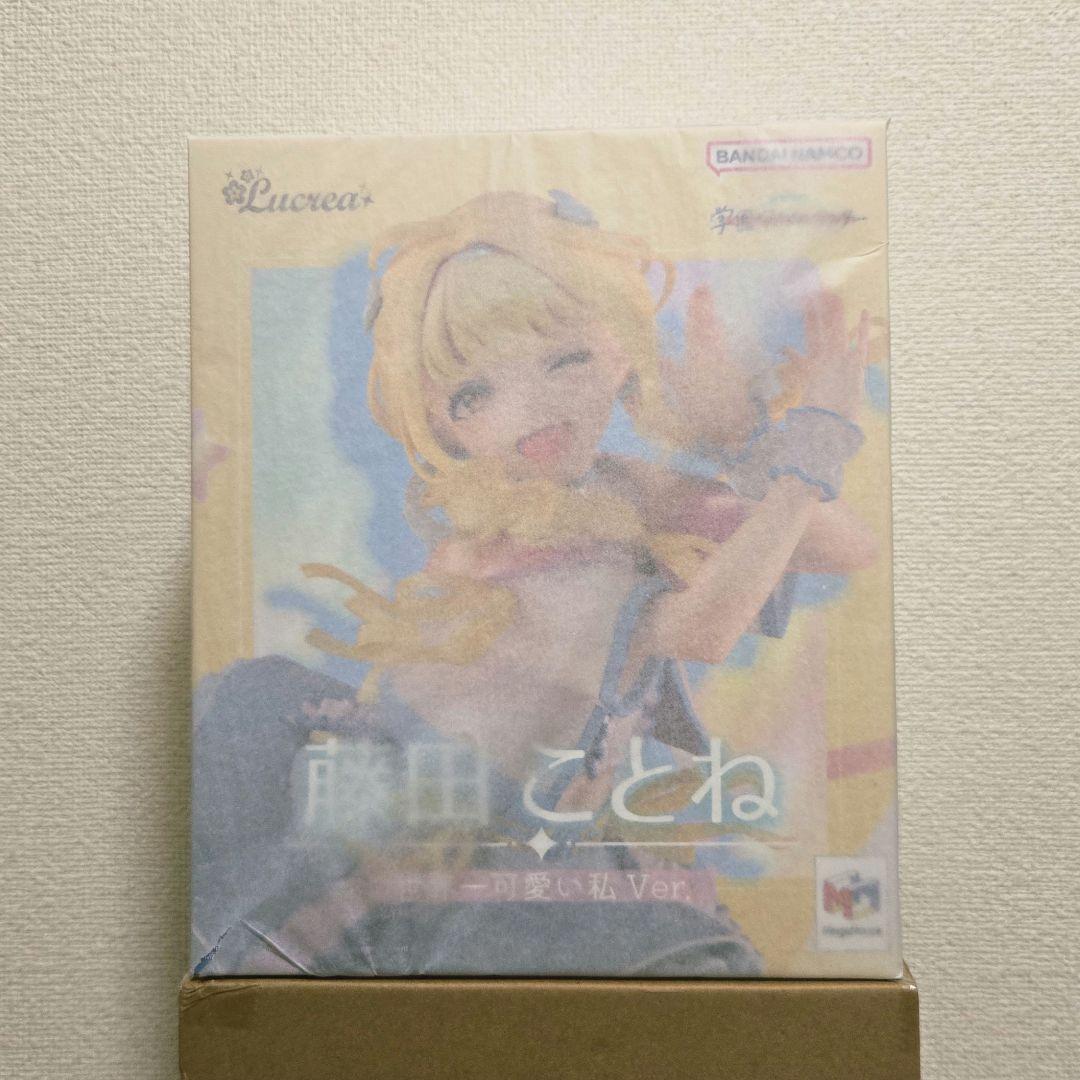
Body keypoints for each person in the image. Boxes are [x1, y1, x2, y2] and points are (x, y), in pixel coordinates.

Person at [192, 189, 876, 977]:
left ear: (620, 353)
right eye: (474, 393)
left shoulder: (623, 488)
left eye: (566, 360)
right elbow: (705, 628)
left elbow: (840, 548)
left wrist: (743, 440)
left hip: (534, 850)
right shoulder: (502, 533)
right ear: (444, 424)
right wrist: (810, 448)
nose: (530, 406)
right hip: (426, 850)